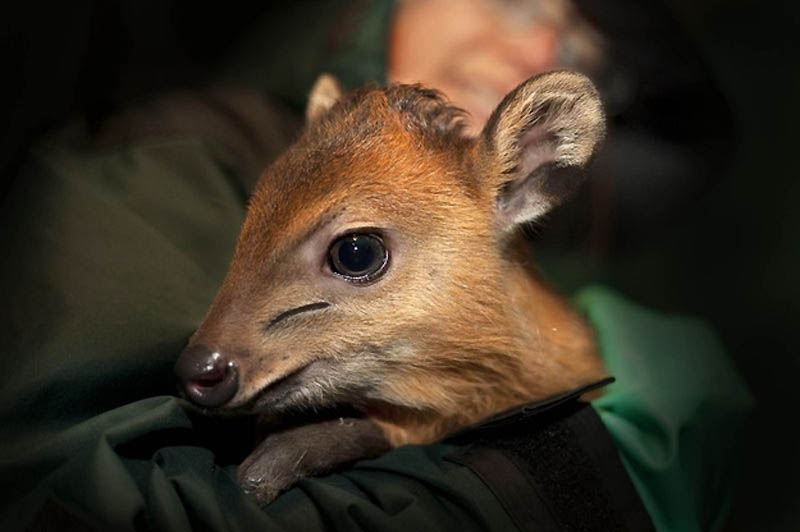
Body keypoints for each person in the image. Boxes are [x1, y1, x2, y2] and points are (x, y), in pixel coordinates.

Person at [0, 2, 750, 530]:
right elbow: (76, 498)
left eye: (585, 51)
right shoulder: (158, 163)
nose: (535, 50)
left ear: (535, 164)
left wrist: (387, 434)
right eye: (514, 1)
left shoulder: (480, 234)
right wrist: (577, 479)